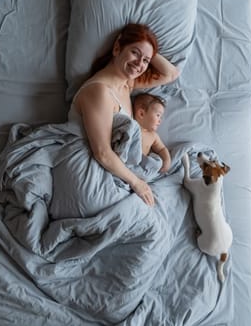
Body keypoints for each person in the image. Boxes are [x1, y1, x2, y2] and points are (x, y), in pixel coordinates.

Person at [68, 23, 179, 207]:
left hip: (114, 166)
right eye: (134, 53)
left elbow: (171, 74)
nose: (139, 64)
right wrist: (137, 183)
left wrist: (146, 47)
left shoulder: (128, 84)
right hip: (90, 166)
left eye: (146, 61)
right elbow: (102, 152)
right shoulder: (99, 91)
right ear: (117, 47)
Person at [132, 93, 171, 173]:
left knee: (156, 163)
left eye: (161, 117)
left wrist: (167, 161)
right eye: (158, 115)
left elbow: (162, 149)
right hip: (127, 164)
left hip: (140, 169)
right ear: (141, 114)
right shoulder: (132, 128)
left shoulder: (153, 136)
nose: (160, 120)